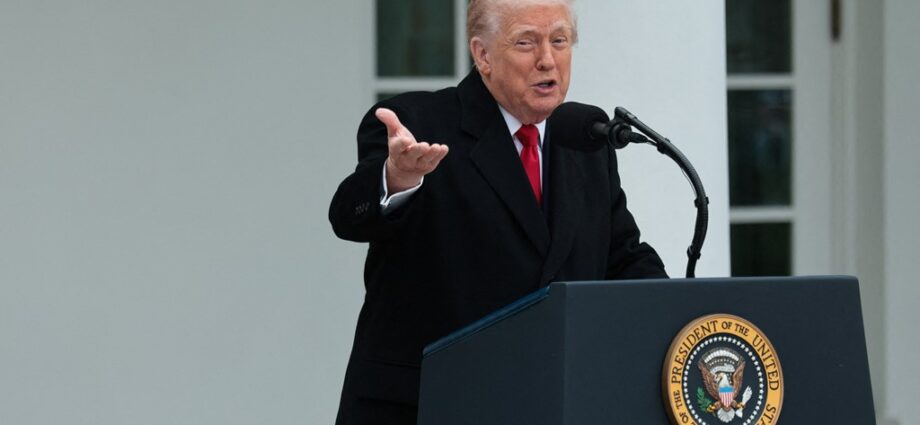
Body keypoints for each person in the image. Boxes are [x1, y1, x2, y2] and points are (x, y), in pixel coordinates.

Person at [329, 0, 666, 423]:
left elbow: (623, 257)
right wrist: (397, 178)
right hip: (429, 404)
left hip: (547, 401)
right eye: (526, 42)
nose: (547, 59)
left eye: (559, 41)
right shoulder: (417, 123)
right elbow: (349, 215)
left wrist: (680, 311)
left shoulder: (586, 142)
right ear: (483, 54)